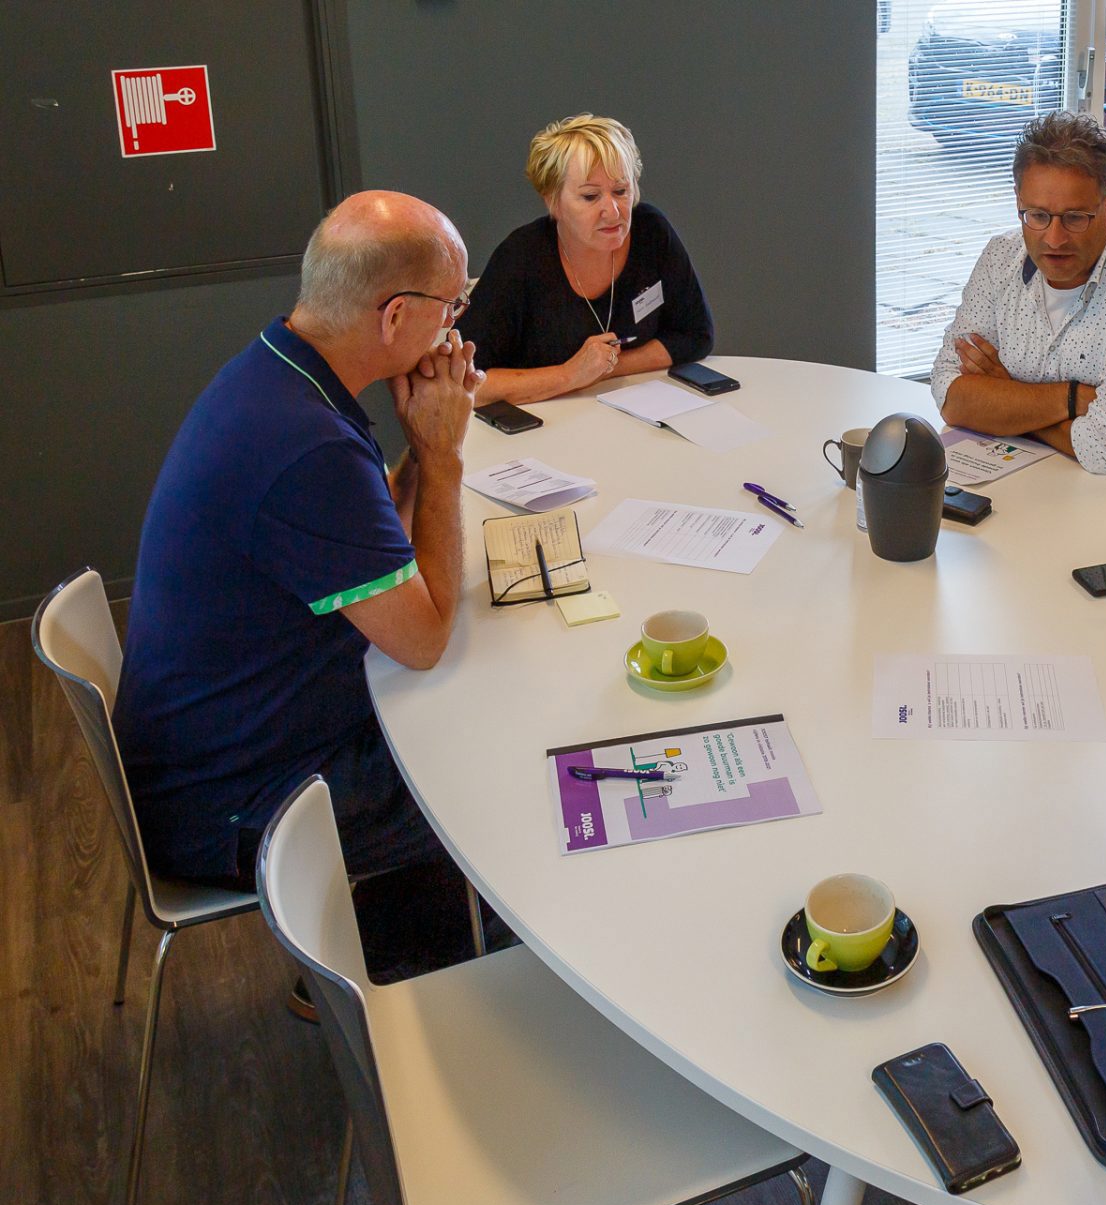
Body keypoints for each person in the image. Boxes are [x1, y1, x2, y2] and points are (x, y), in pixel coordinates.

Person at [115, 191, 488, 991]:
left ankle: (395, 944)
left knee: (464, 722)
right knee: (490, 777)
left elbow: (372, 545)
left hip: (213, 750)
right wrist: (443, 458)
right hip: (233, 805)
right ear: (395, 317)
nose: (455, 325)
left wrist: (421, 448)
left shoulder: (281, 373)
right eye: (452, 305)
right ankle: (382, 978)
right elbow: (422, 639)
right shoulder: (306, 445)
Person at [930, 110, 1106, 481]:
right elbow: (951, 397)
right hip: (1043, 471)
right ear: (1018, 201)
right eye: (1038, 215)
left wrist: (1009, 400)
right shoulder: (1001, 257)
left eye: (1075, 218)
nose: (1054, 239)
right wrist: (1073, 399)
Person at [463, 113, 713, 404]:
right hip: (544, 419)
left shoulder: (651, 232)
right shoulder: (520, 258)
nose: (613, 211)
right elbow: (464, 381)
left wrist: (606, 368)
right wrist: (571, 375)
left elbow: (696, 335)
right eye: (591, 197)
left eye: (621, 191)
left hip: (627, 407)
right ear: (553, 201)